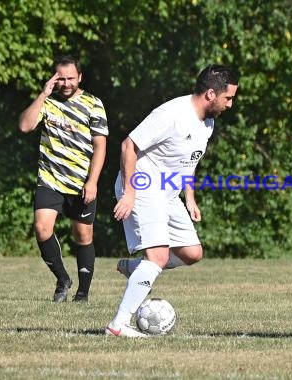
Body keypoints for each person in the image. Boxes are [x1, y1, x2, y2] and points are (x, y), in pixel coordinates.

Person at [105, 64, 239, 337]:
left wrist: (189, 197)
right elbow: (128, 146)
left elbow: (189, 162)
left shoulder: (207, 123)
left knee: (192, 253)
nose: (231, 104)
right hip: (141, 185)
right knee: (158, 256)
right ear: (211, 94)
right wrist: (130, 193)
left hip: (166, 193)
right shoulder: (172, 114)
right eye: (228, 98)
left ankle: (136, 269)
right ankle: (118, 325)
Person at [19, 54, 108, 303]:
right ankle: (62, 279)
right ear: (54, 78)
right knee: (41, 228)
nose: (66, 83)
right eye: (61, 78)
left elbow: (100, 146)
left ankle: (82, 293)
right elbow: (25, 126)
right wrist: (42, 95)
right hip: (50, 179)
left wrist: (92, 181)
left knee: (83, 237)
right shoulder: (48, 103)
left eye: (71, 78)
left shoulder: (93, 104)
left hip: (81, 182)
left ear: (80, 77)